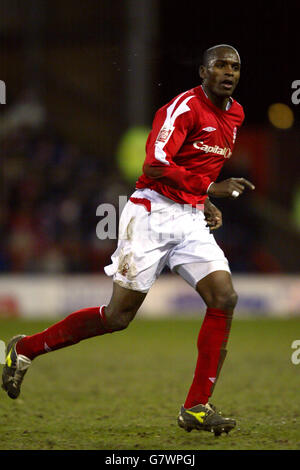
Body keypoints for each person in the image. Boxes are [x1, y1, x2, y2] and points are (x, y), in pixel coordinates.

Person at [2, 44, 255, 437]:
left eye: (235, 66)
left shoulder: (235, 114)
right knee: (118, 317)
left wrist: (202, 201)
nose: (229, 72)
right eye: (220, 65)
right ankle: (25, 349)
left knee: (224, 297)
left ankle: (196, 407)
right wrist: (210, 188)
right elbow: (154, 163)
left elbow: (196, 163)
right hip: (152, 214)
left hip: (189, 219)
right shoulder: (183, 109)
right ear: (203, 72)